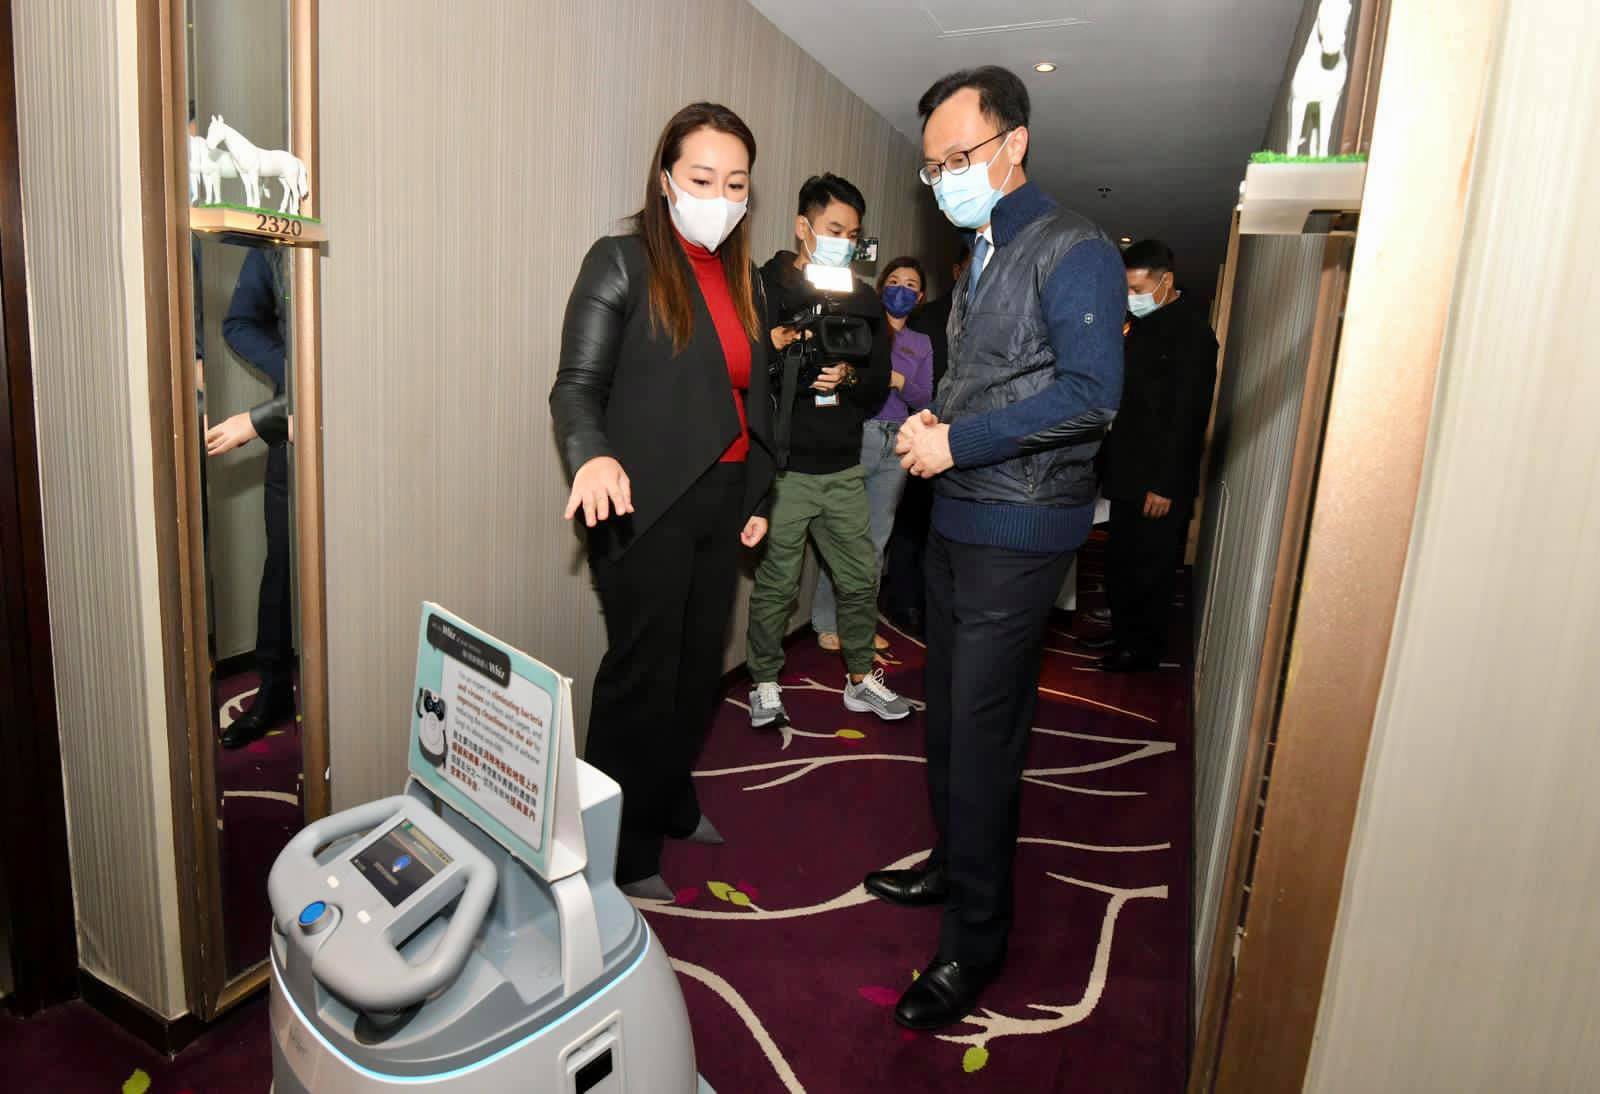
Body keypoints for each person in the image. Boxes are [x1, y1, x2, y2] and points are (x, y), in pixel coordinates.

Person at [865, 66, 1125, 1030]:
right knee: (947, 718)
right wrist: (938, 418)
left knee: (981, 737)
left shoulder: (1074, 248)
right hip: (961, 517)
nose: (944, 178)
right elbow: (995, 379)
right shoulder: (981, 249)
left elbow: (1091, 395)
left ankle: (976, 939)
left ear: (1015, 143)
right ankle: (953, 863)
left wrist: (958, 441)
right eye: (933, 167)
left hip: (1017, 529)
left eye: (959, 157)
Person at [549, 102, 775, 902]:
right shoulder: (620, 262)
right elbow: (576, 386)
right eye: (702, 178)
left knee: (697, 669)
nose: (720, 196)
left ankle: (670, 799)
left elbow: (753, 397)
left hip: (723, 497)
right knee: (642, 678)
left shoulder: (747, 279)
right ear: (666, 179)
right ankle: (617, 847)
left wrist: (758, 490)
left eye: (736, 183)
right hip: (643, 499)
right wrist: (592, 454)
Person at [744, 175, 911, 729]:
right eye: (834, 229)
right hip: (785, 469)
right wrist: (782, 357)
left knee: (860, 580)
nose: (844, 241)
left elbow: (879, 383)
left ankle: (861, 679)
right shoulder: (766, 288)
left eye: (853, 234)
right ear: (803, 226)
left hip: (843, 465)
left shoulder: (862, 299)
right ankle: (764, 682)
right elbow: (745, 372)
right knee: (777, 585)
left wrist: (847, 377)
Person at [1096, 239, 1217, 671]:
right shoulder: (1141, 326)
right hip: (1129, 473)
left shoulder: (1192, 334)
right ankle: (1123, 636)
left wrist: (1165, 484)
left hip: (1159, 481)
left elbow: (1188, 416)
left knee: (1150, 568)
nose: (1132, 297)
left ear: (1166, 282)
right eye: (1127, 289)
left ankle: (1142, 650)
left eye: (1138, 289)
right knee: (1121, 561)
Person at [810, 257, 935, 651]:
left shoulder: (921, 343)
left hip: (898, 441)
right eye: (894, 281)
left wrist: (896, 379)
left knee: (876, 538)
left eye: (910, 285)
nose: (901, 289)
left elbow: (924, 397)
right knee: (841, 532)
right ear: (881, 288)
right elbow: (846, 378)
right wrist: (882, 378)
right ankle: (826, 620)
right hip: (860, 433)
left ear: (920, 297)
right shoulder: (863, 328)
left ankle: (860, 624)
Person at [213, 246, 296, 750]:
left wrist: (256, 420)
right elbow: (239, 322)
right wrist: (293, 368)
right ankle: (274, 690)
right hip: (291, 430)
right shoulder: (272, 245)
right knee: (281, 567)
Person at [884, 245, 972, 631]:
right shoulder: (928, 317)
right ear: (956, 271)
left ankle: (940, 605)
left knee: (948, 525)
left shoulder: (991, 316)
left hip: (967, 435)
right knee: (911, 521)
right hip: (922, 427)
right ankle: (905, 602)